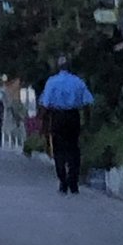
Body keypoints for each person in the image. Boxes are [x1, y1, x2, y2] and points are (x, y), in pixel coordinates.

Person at [39, 55, 94, 195]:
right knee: (73, 149)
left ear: (58, 67)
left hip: (57, 117)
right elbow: (87, 103)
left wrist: (44, 126)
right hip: (72, 117)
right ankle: (73, 183)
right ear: (70, 67)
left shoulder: (51, 82)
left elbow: (45, 106)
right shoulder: (78, 82)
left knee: (59, 150)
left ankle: (63, 182)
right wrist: (87, 123)